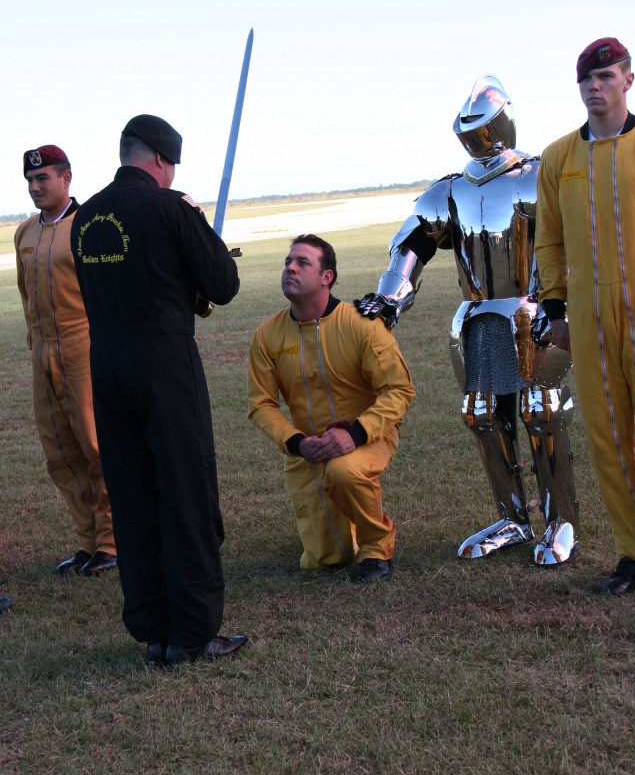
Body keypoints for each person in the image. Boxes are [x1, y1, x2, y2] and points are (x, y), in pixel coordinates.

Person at [356, 75, 580, 566]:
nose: (475, 137)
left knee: (540, 412)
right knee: (482, 416)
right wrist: (390, 299)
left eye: (481, 127)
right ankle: (513, 518)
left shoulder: (536, 175)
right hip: (477, 316)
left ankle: (561, 520)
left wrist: (556, 304)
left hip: (533, 311)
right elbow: (410, 247)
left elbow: (563, 240)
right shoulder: (450, 191)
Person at [70, 114, 248, 665]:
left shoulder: (85, 217)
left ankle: (152, 627)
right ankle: (193, 632)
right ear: (161, 162)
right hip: (164, 362)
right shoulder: (171, 208)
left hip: (107, 362)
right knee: (184, 487)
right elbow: (223, 283)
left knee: (133, 492)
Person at [535, 38, 635, 594]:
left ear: (628, 79)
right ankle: (632, 554)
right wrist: (556, 312)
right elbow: (548, 241)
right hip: (588, 321)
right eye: (586, 80)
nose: (595, 87)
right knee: (608, 438)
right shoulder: (558, 158)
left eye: (606, 76)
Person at [248, 234, 415, 582]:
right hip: (308, 450)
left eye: (302, 262)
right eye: (287, 262)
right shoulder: (267, 335)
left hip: (369, 436)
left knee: (343, 470)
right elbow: (261, 405)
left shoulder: (362, 324)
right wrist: (296, 443)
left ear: (327, 277)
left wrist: (355, 434)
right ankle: (347, 525)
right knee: (327, 557)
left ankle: (375, 546)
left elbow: (399, 390)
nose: (289, 268)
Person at [15, 145, 117, 576]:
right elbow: (25, 294)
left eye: (44, 179)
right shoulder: (24, 232)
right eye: (30, 181)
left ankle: (114, 541)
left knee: (96, 445)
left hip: (82, 344)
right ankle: (88, 540)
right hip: (42, 349)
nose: (36, 188)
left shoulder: (87, 226)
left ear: (67, 178)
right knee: (58, 451)